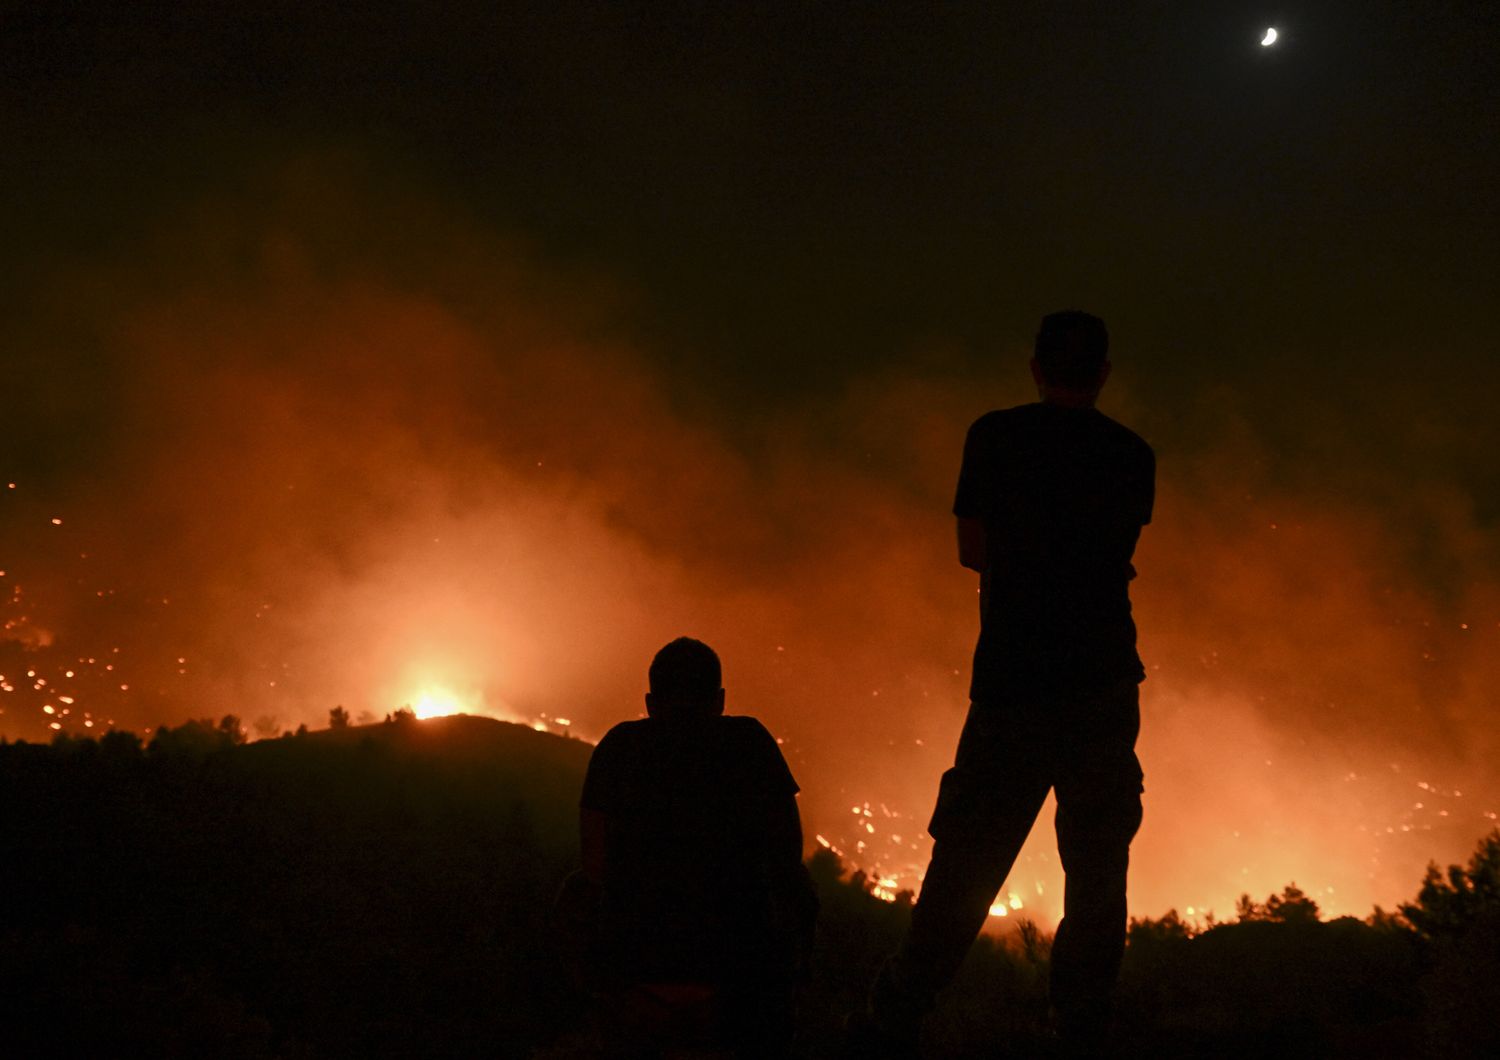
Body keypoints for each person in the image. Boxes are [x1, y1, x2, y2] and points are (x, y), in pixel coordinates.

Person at [861, 310, 1155, 1054]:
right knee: (1096, 868)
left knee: (968, 856)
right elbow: (1114, 552)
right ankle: (1081, 1024)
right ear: (1104, 374)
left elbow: (972, 551)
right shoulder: (1130, 455)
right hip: (1101, 683)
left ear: (1034, 367)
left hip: (1014, 681)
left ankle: (899, 1011)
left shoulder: (994, 437)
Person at [575, 637, 815, 1057]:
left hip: (636, 964)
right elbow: (788, 854)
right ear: (720, 700)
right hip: (739, 970)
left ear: (650, 702)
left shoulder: (618, 748)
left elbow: (593, 863)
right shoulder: (749, 742)